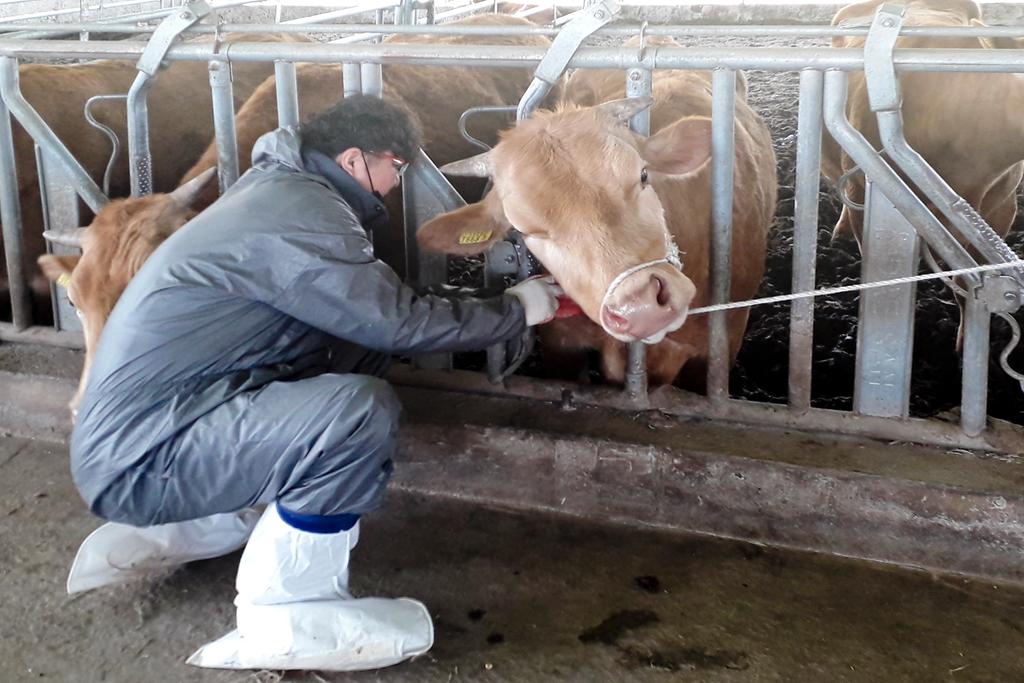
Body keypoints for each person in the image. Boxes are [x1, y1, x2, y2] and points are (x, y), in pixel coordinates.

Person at [64, 95, 561, 671]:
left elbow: (367, 315)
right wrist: (515, 309)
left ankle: (228, 516)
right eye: (397, 169)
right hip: (143, 460)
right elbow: (394, 320)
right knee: (356, 411)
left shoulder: (278, 192)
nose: (397, 186)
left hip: (155, 431)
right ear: (355, 160)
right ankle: (287, 606)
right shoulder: (302, 213)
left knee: (354, 349)